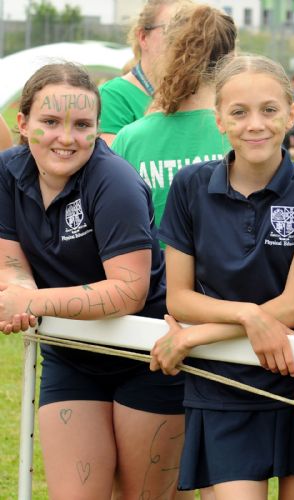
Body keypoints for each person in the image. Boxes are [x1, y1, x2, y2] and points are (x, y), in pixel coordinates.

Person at [149, 54, 294, 500]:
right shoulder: (190, 186)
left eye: (269, 110)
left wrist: (194, 336)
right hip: (222, 383)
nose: (255, 124)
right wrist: (250, 316)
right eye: (239, 112)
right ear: (219, 120)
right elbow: (179, 298)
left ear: (291, 115)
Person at [0, 62, 187, 499]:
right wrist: (20, 290)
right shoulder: (7, 171)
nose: (66, 138)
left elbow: (128, 291)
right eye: (50, 122)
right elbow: (10, 259)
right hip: (72, 355)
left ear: (98, 129)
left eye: (82, 125)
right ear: (22, 123)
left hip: (149, 356)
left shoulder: (114, 181)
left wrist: (34, 302)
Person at [112, 3, 236, 232]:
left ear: (170, 53)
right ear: (231, 59)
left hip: (150, 256)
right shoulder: (244, 135)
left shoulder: (130, 139)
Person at [99, 0, 188, 146]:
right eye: (172, 28)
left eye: (189, 30)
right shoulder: (113, 96)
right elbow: (113, 158)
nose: (183, 38)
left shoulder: (197, 94)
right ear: (143, 37)